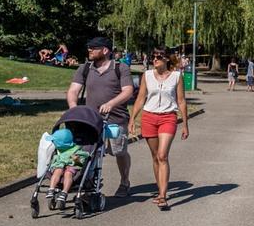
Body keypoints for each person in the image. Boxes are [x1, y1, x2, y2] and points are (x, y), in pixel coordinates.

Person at [67, 37, 135, 197]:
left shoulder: (120, 68)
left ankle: (125, 181)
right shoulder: (85, 68)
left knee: (118, 151)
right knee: (87, 150)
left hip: (116, 119)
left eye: (93, 48)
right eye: (89, 47)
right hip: (91, 120)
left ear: (105, 50)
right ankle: (85, 180)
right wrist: (73, 107)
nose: (89, 50)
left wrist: (111, 103)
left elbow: (128, 91)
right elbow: (73, 90)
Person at [129, 48, 189, 210]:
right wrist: (132, 119)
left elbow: (181, 101)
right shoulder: (147, 75)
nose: (155, 59)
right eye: (153, 56)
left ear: (167, 59)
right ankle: (159, 190)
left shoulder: (177, 76)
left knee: (162, 155)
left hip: (168, 118)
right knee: (155, 157)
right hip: (149, 117)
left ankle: (163, 195)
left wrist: (185, 124)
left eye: (159, 57)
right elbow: (141, 98)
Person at [45, 129, 89, 211]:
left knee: (68, 173)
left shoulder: (75, 150)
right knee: (57, 170)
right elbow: (55, 160)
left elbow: (78, 163)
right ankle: (51, 189)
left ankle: (64, 192)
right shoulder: (59, 151)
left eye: (54, 141)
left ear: (60, 144)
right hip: (60, 166)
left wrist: (73, 159)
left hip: (70, 167)